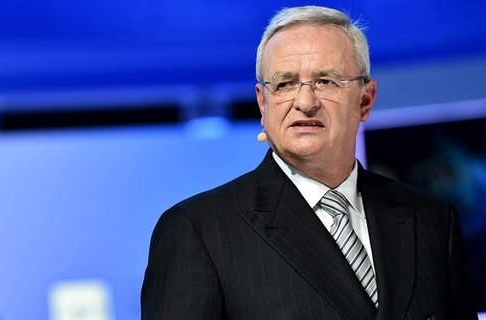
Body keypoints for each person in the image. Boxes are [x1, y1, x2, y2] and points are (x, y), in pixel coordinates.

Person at [141, 5, 477, 320]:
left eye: (326, 81)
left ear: (365, 100)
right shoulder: (198, 230)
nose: (305, 102)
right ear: (263, 103)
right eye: (285, 84)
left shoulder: (433, 220)